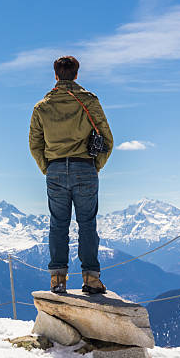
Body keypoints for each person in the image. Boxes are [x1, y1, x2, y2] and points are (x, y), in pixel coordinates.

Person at [29, 56, 113, 294]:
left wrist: (47, 167)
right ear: (76, 74)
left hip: (54, 168)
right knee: (87, 224)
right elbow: (107, 139)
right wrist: (95, 165)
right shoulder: (89, 101)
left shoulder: (41, 107)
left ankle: (58, 280)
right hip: (84, 166)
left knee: (58, 225)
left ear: (56, 75)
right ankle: (91, 279)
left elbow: (35, 144)